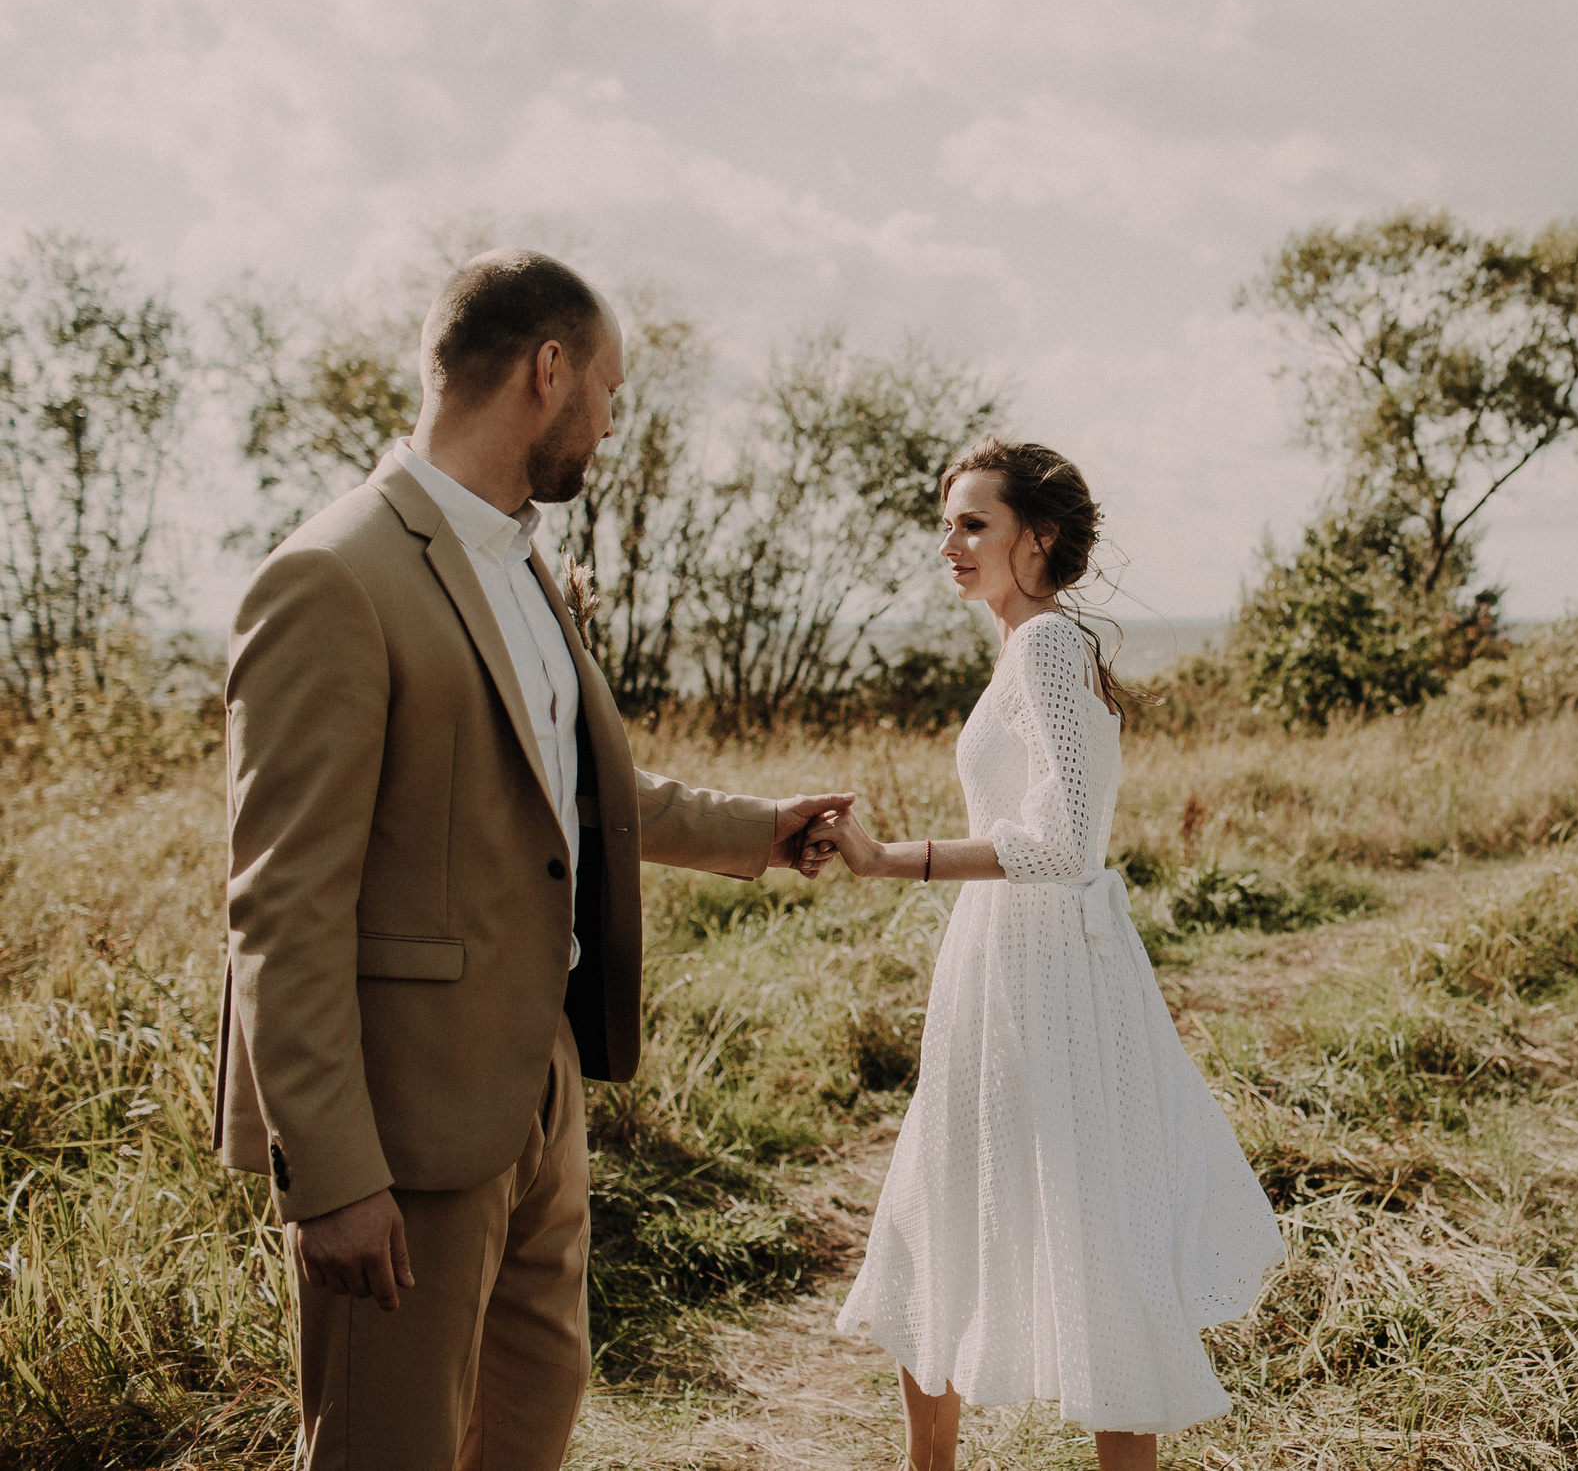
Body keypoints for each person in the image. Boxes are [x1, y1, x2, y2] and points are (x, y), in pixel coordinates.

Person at [216, 249, 854, 1471]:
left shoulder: (517, 562)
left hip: (539, 1079)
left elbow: (567, 790)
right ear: (546, 372)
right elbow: (280, 906)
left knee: (530, 1420)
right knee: (390, 1449)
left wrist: (760, 830)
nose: (611, 424)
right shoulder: (331, 577)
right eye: (609, 391)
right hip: (403, 1119)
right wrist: (332, 1175)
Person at [813, 438, 1285, 1471]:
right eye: (947, 522)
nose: (950, 543)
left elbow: (1064, 842)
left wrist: (889, 859)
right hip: (1005, 957)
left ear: (1040, 536)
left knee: (1085, 1223)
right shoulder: (1027, 647)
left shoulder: (1044, 647)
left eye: (974, 523)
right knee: (949, 1205)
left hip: (1047, 971)